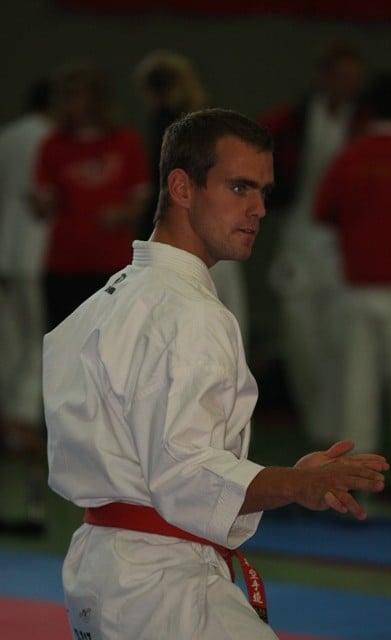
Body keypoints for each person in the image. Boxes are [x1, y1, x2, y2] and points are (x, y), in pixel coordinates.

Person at [43, 109, 389, 640]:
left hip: (105, 568)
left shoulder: (107, 301)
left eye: (264, 192)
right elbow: (186, 475)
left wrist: (287, 478)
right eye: (239, 187)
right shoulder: (190, 313)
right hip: (162, 584)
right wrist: (296, 484)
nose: (258, 209)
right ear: (182, 187)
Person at [315, 73, 391, 478]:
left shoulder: (350, 157)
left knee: (357, 376)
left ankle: (357, 459)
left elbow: (323, 211)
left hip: (357, 284)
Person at [261, 43, 366, 445]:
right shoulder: (293, 120)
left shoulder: (366, 121)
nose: (347, 85)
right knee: (302, 338)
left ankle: (338, 426)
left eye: (353, 78)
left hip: (347, 243)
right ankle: (317, 424)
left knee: (342, 340)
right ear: (323, 77)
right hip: (301, 237)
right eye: (340, 77)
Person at [134, 50, 249, 344]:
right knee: (225, 323)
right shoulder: (216, 126)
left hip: (187, 240)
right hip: (218, 232)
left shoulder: (169, 127)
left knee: (187, 325)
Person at [33, 62, 151, 330]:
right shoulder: (53, 145)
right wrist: (40, 204)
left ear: (97, 98)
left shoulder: (125, 142)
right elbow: (43, 202)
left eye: (76, 95)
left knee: (114, 337)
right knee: (63, 338)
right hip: (64, 263)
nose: (70, 103)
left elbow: (141, 199)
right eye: (65, 96)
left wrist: (121, 213)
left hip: (112, 262)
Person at [0, 78, 53, 530]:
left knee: (12, 343)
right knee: (39, 339)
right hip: (37, 251)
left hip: (6, 249)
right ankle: (19, 421)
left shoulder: (8, 136)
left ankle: (13, 419)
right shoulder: (52, 139)